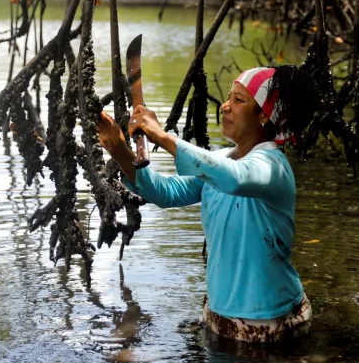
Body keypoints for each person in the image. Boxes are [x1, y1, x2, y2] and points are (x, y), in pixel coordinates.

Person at [96, 65, 319, 343]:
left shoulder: (273, 167)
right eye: (228, 97)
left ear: (263, 114)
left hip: (274, 323)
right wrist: (118, 148)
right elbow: (167, 193)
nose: (225, 107)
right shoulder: (224, 159)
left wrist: (165, 138)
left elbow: (236, 179)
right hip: (219, 319)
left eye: (239, 100)